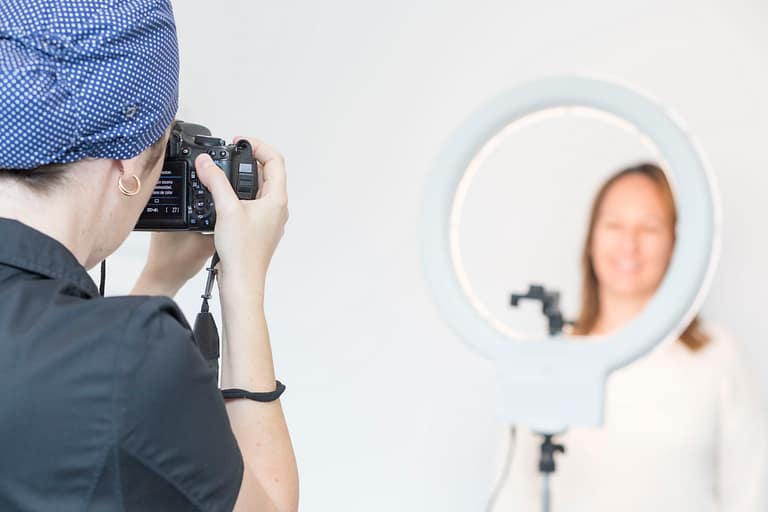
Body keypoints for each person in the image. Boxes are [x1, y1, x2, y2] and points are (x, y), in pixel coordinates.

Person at [0, 1, 298, 511]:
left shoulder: (116, 359)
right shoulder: (133, 357)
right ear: (130, 162)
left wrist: (160, 277)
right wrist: (243, 286)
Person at [493, 163, 767, 512]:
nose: (629, 244)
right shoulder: (548, 361)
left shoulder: (718, 355)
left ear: (675, 245)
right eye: (613, 225)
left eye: (649, 228)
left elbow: (749, 491)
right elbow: (514, 496)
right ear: (591, 239)